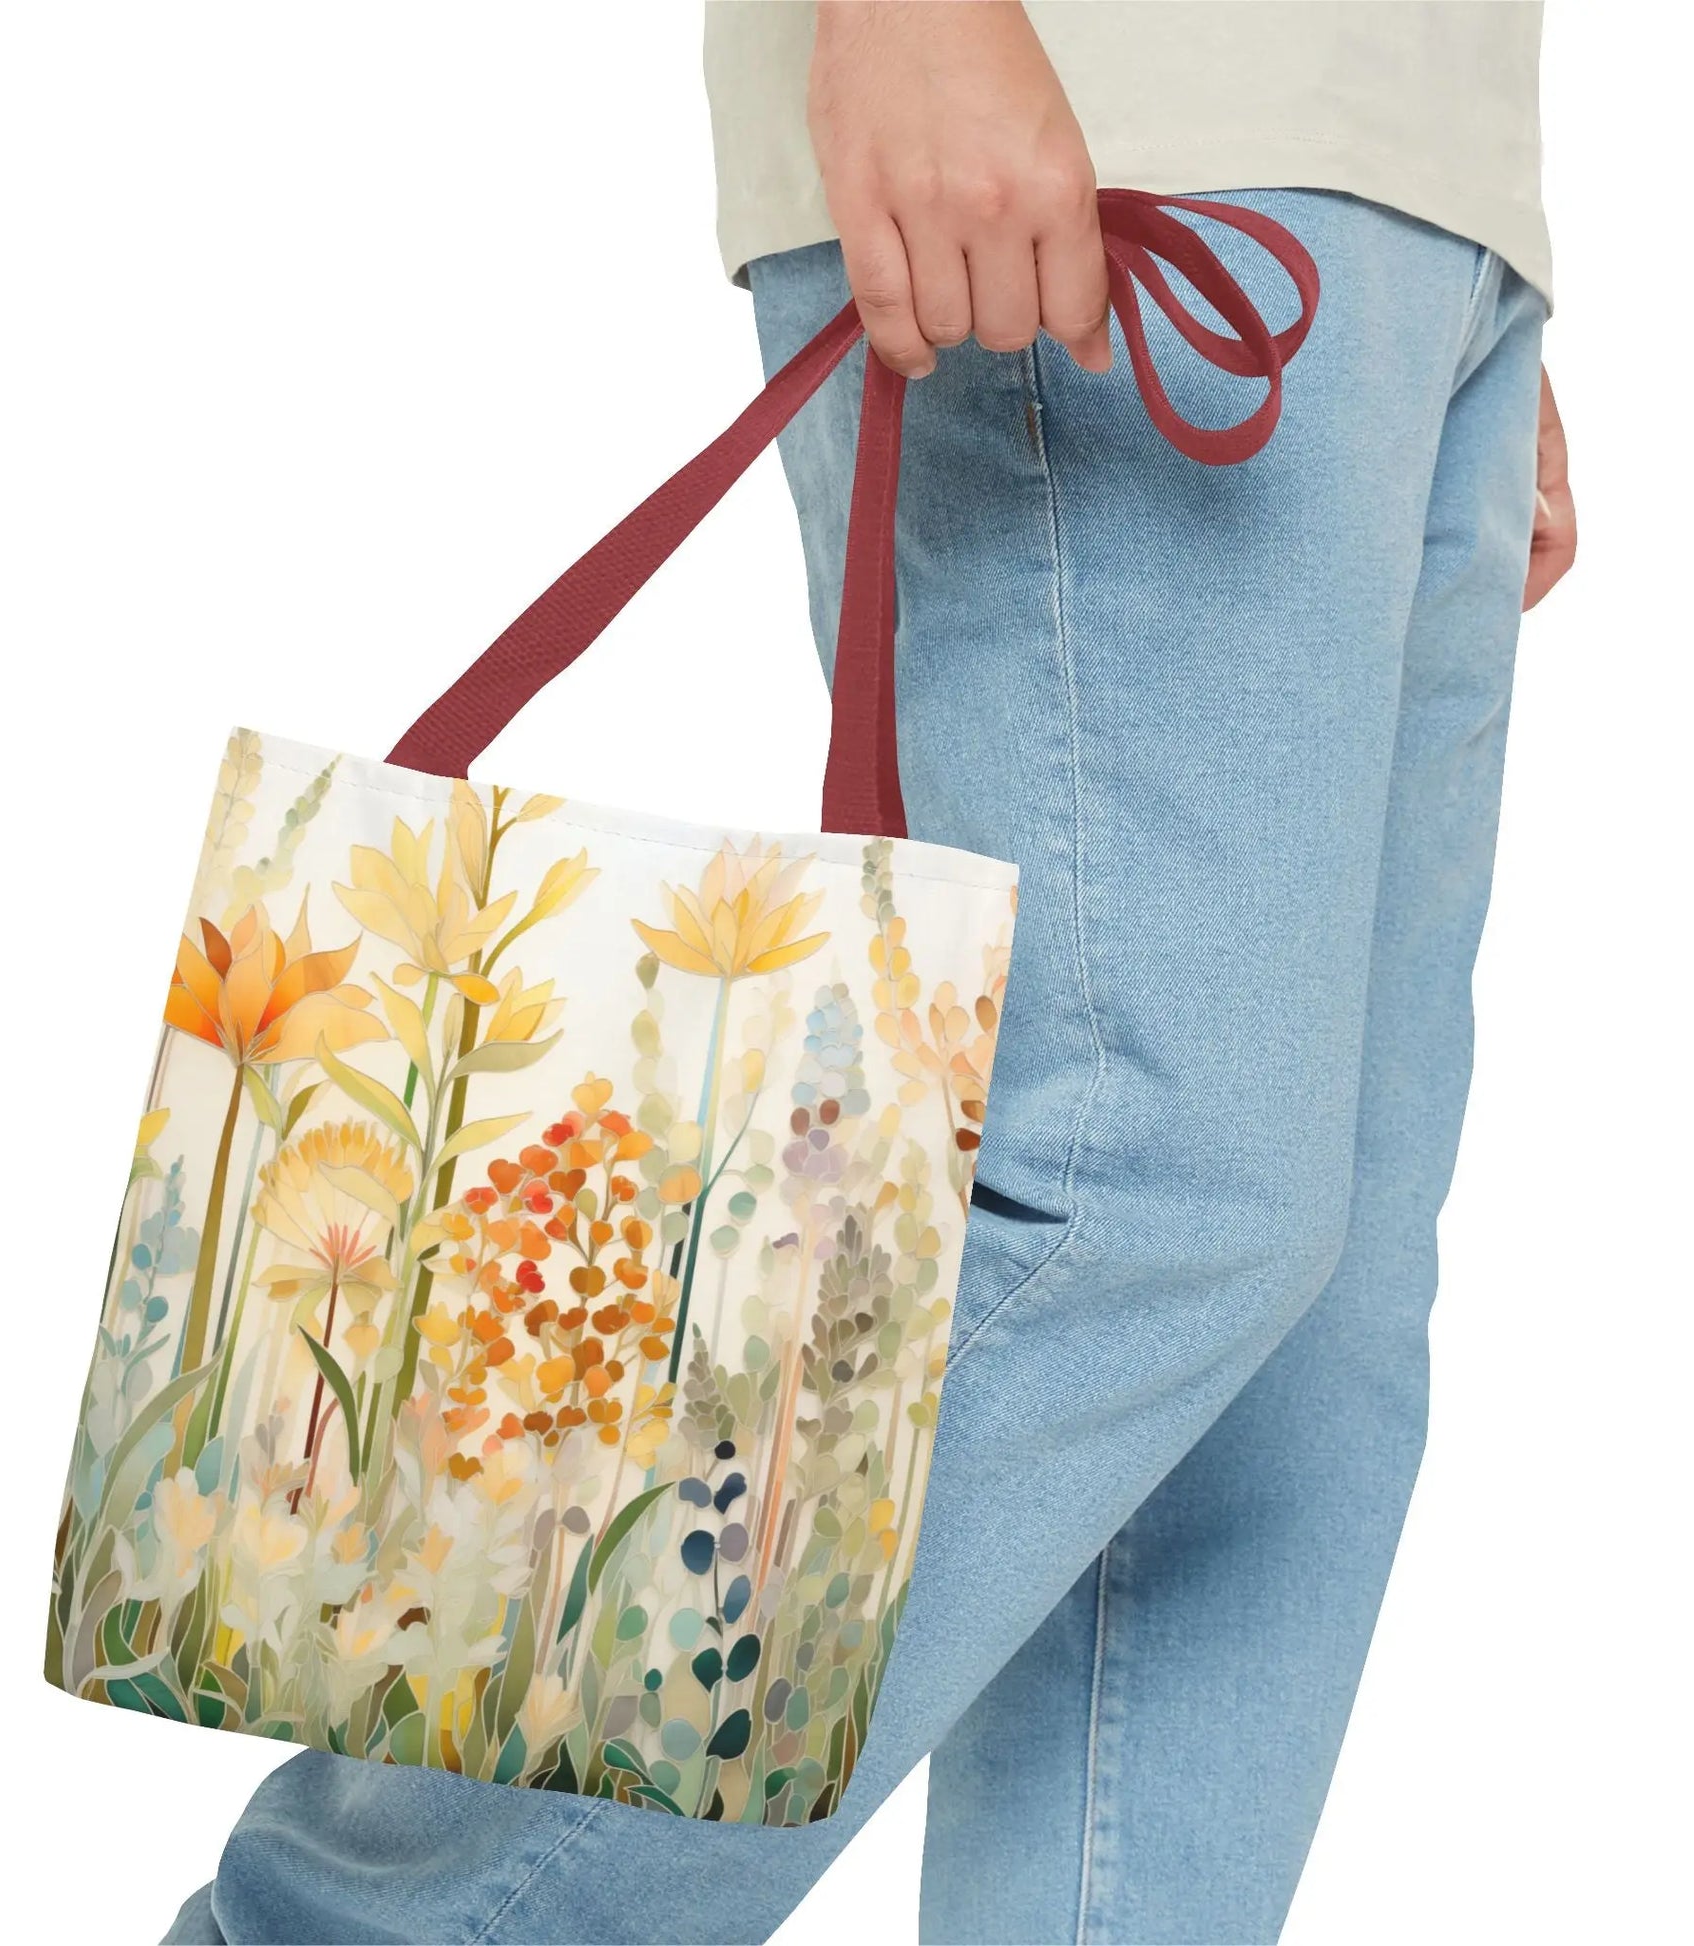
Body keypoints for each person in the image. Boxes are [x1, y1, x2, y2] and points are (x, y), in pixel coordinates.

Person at [167, 4, 1575, 1940]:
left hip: (1395, 190)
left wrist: (1456, 237)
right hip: (1116, 110)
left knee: (1292, 1355)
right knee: (1131, 1199)